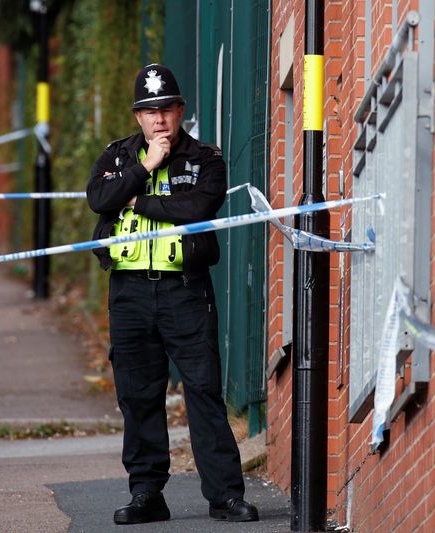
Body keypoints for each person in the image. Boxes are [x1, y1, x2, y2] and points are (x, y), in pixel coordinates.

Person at [87, 64, 259, 525]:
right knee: (138, 395)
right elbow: (98, 200)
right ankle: (146, 494)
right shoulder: (119, 156)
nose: (159, 119)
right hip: (129, 292)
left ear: (180, 111)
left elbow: (198, 206)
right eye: (149, 111)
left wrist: (138, 200)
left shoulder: (205, 158)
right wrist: (145, 167)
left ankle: (224, 496)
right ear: (137, 117)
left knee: (203, 391)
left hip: (185, 291)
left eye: (166, 109)